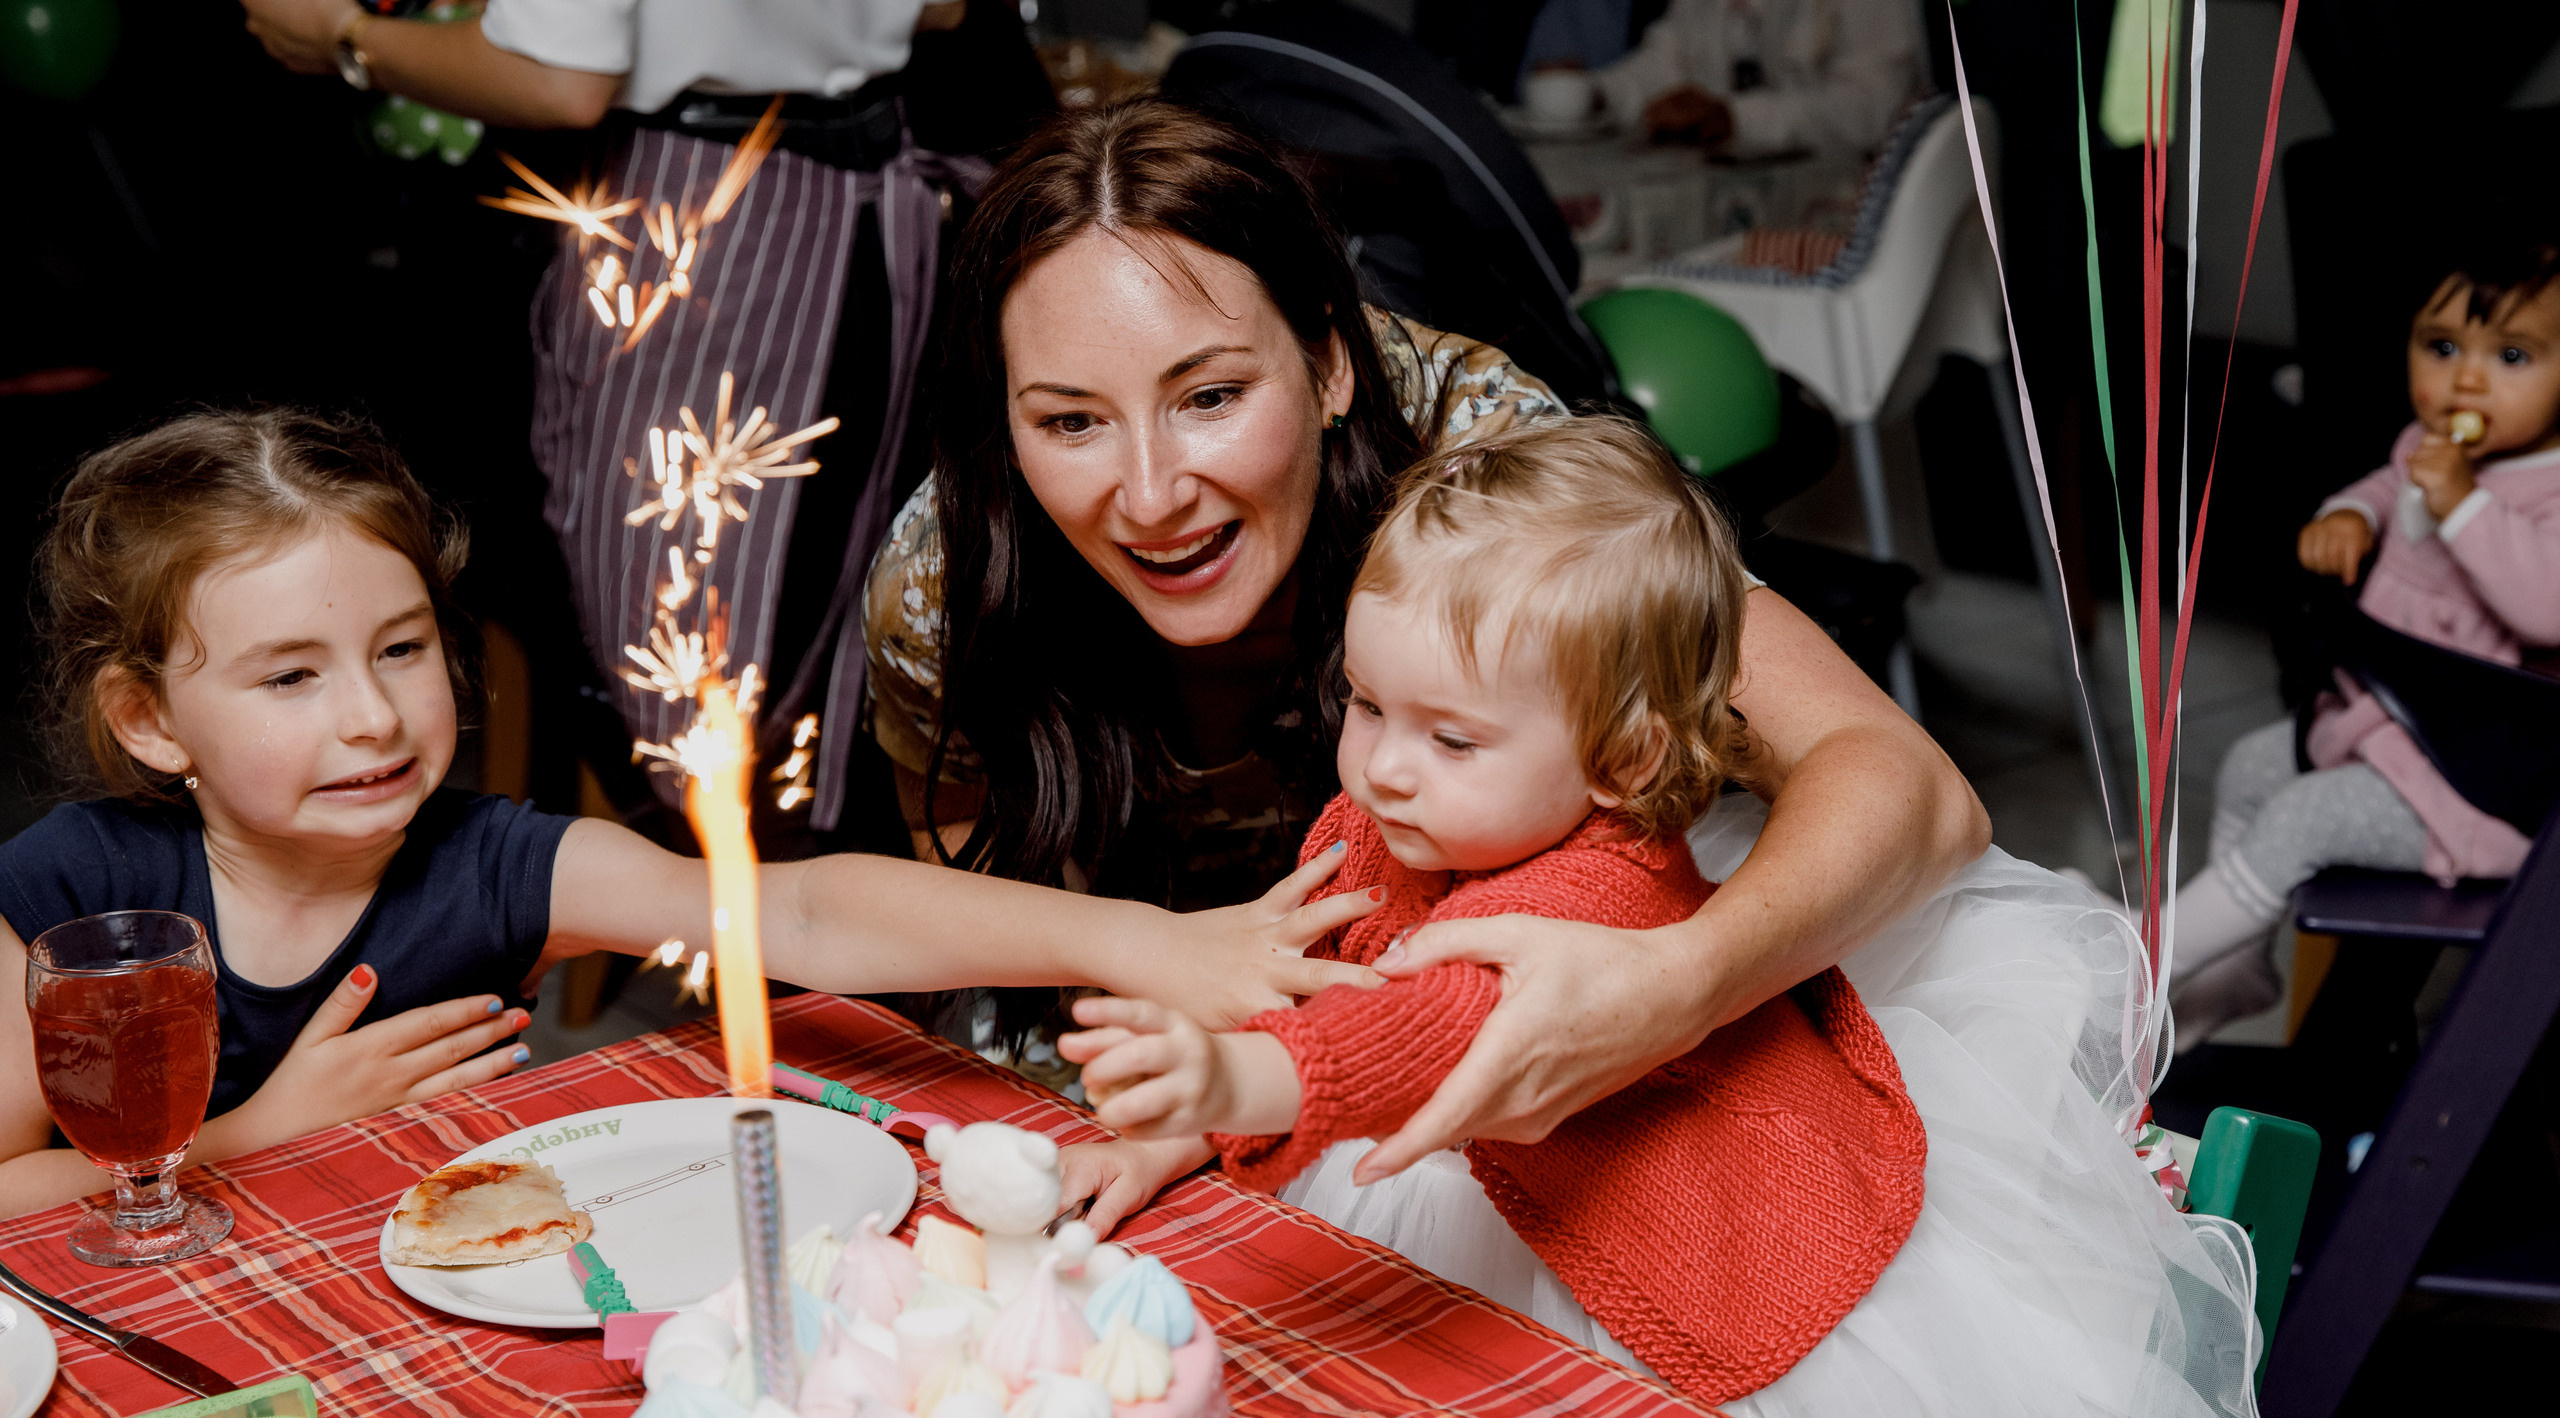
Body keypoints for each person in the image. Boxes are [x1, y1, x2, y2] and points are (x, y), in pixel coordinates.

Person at [1049, 416, 2282, 1418]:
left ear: (1622, 758)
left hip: (1669, 1256)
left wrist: (1236, 1084)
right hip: (1472, 1181)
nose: (1386, 768)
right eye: (1366, 705)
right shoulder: (1393, 820)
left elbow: (1413, 1033)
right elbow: (1325, 973)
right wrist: (1179, 1126)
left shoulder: (1598, 895)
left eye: (1450, 738)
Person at [866, 98, 1986, 1167]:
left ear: (1329, 363)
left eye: (1210, 397)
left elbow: (1912, 787)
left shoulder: (1477, 459)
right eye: (1071, 421)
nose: (1153, 496)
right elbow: (975, 867)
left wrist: (1681, 982)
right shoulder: (949, 580)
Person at [0, 408, 1380, 1218]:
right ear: (149, 717)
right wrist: (254, 1138)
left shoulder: (494, 865)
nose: (371, 714)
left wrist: (1148, 940)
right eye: (290, 676)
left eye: (402, 648)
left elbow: (805, 909)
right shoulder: (62, 903)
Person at [233, 0, 1053, 841]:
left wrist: (347, 39)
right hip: (860, 207)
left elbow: (560, 80)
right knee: (797, 622)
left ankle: (725, 884)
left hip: (707, 225)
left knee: (683, 657)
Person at [2173, 240, 2560, 1045]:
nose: (2467, 380)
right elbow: (2390, 486)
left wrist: (2464, 504)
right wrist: (2351, 514)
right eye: (2442, 346)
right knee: (2249, 765)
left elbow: (2543, 607)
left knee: (2303, 818)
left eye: (2512, 356)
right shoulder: (2427, 448)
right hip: (2386, 729)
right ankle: (2234, 969)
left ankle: (2138, 969)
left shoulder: (2546, 489)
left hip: (2478, 785)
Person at [1537, 0, 1924, 154]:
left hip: (1865, 229)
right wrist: (1595, 93)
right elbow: (1667, 60)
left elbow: (1875, 106)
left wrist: (1737, 119)